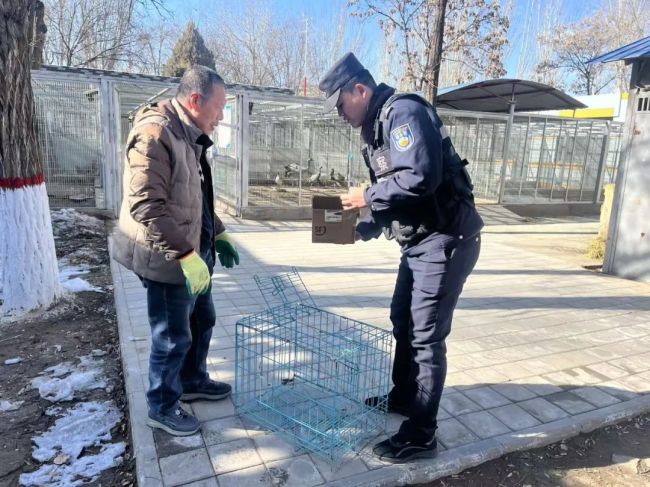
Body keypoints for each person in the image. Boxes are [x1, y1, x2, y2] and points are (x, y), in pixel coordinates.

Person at [319, 53, 483, 463]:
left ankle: (421, 433)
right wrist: (363, 227)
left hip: (447, 237)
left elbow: (421, 177)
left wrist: (364, 197)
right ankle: (405, 395)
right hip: (419, 242)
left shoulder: (403, 112)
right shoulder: (374, 129)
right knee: (402, 320)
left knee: (426, 337)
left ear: (361, 90)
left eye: (341, 104)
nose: (340, 115)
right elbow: (399, 193)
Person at [112, 65, 240, 436]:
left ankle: (192, 380)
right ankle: (163, 404)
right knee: (172, 335)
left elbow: (193, 195)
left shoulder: (188, 132)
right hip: (164, 255)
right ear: (196, 100)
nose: (220, 119)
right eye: (219, 110)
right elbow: (146, 206)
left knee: (203, 319)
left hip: (192, 251)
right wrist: (185, 256)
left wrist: (219, 233)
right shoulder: (156, 133)